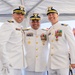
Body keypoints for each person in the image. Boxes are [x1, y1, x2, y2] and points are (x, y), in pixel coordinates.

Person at [47, 7, 75, 75]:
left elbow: (72, 44)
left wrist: (73, 61)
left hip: (62, 63)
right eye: (49, 14)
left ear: (57, 15)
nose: (51, 16)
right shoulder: (49, 30)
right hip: (51, 64)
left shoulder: (65, 27)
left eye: (53, 14)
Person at [0, 5, 27, 75]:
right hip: (9, 65)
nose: (20, 16)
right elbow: (1, 44)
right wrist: (5, 62)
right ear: (13, 14)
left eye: (22, 14)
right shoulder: (8, 25)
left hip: (18, 64)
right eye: (18, 14)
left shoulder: (19, 27)